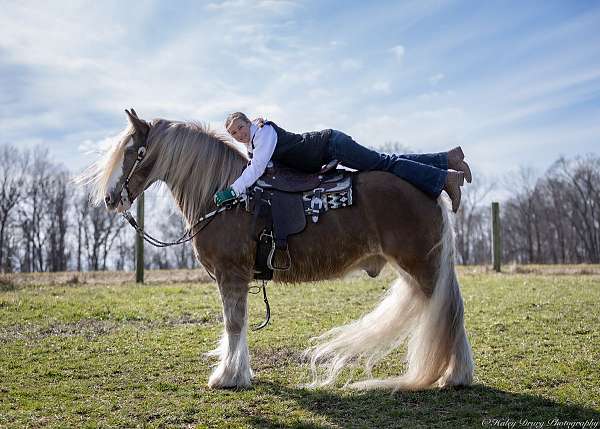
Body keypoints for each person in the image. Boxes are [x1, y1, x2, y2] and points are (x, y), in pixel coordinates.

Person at [214, 112, 472, 212]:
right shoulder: (254, 144)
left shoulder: (265, 134)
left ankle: (444, 179)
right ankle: (448, 158)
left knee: (386, 164)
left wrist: (232, 190)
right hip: (328, 147)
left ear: (248, 123)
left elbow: (257, 169)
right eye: (234, 133)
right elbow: (255, 165)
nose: (240, 134)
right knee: (386, 161)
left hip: (331, 144)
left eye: (240, 127)